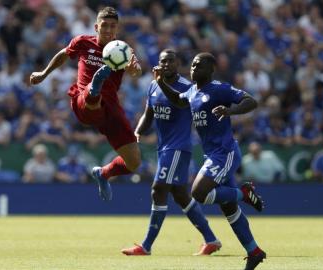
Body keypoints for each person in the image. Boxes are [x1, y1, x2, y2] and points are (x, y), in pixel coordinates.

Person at [155, 52, 266, 270]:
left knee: (198, 192)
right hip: (212, 154)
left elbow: (251, 101)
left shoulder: (219, 88)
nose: (193, 69)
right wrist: (161, 83)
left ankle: (243, 193)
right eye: (193, 65)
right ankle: (254, 251)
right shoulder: (191, 91)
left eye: (199, 66)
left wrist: (230, 110)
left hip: (225, 153)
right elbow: (178, 101)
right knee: (229, 209)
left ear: (210, 69)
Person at [30, 7, 142, 200]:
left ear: (117, 29)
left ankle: (103, 173)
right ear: (96, 26)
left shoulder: (123, 49)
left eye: (112, 26)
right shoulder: (83, 42)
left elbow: (136, 71)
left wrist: (134, 69)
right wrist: (44, 73)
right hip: (83, 100)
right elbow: (63, 54)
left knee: (134, 163)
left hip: (111, 107)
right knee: (92, 99)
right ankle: (95, 87)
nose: (108, 30)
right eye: (104, 25)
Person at [121, 49, 221, 256]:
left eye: (170, 62)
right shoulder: (153, 86)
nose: (166, 65)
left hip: (178, 147)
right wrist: (137, 132)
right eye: (162, 61)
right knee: (180, 195)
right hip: (164, 147)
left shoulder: (187, 87)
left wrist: (162, 84)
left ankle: (146, 245)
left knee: (158, 188)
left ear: (178, 65)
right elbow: (149, 115)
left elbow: (179, 101)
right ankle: (211, 239)